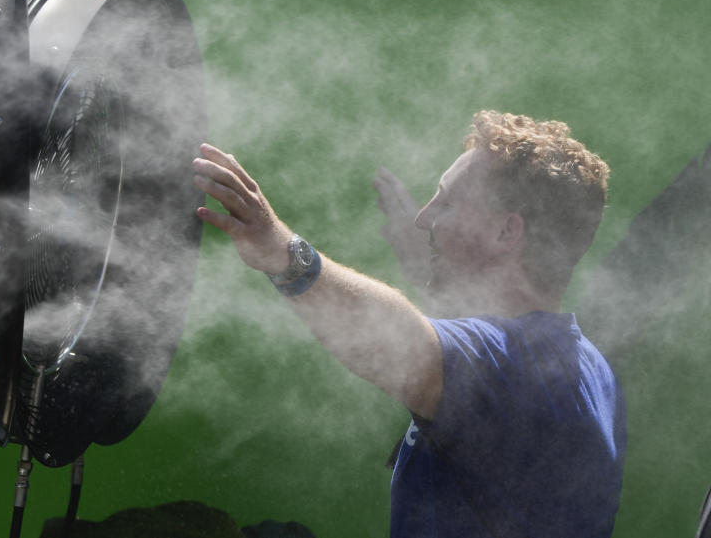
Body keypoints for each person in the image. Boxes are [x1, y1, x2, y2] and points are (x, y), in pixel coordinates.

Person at [192, 110, 626, 538]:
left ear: (506, 234)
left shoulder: (516, 369)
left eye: (447, 202)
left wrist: (281, 250)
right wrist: (428, 260)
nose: (424, 217)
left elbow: (400, 345)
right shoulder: (583, 368)